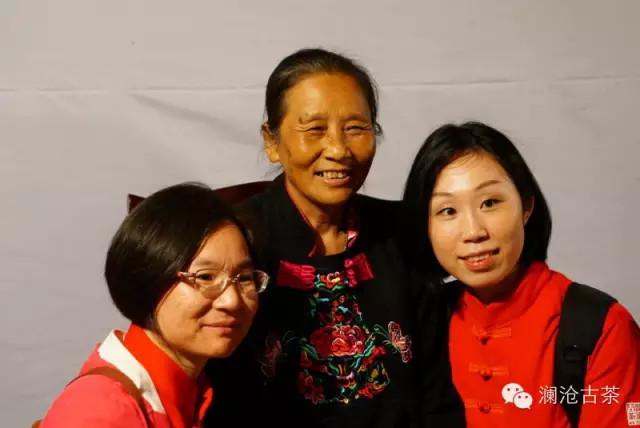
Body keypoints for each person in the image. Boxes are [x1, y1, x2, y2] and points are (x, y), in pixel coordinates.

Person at [204, 48, 465, 428]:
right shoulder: (234, 241)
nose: (339, 150)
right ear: (272, 142)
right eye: (314, 129)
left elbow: (438, 392)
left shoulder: (404, 231)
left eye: (356, 128)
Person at [402, 122, 640, 427]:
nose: (473, 231)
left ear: (526, 206)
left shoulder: (602, 326)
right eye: (448, 211)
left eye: (490, 203)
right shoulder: (420, 320)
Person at [39, 183, 268, 427]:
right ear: (147, 279)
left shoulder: (193, 391)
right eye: (204, 277)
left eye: (244, 278)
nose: (232, 301)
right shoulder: (103, 412)